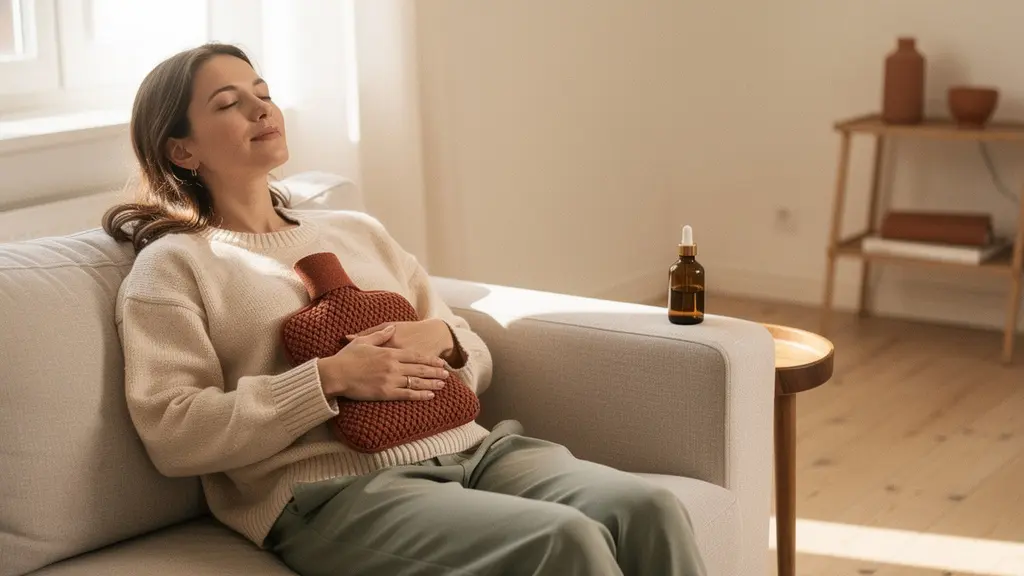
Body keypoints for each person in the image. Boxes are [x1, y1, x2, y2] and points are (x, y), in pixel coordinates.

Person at [104, 42, 707, 576]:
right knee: (563, 539)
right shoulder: (175, 267)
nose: (262, 108)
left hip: (478, 450)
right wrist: (329, 380)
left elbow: (474, 356)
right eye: (229, 102)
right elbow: (174, 434)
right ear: (182, 150)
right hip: (338, 491)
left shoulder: (357, 232)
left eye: (263, 92)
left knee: (647, 509)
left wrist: (443, 339)